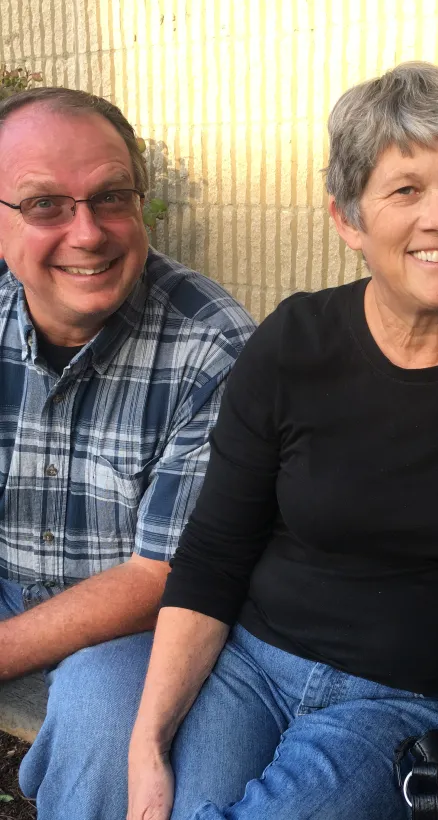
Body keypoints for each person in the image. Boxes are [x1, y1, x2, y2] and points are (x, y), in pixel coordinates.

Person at [126, 61, 438, 820]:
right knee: (167, 801)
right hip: (249, 667)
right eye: (405, 189)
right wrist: (147, 742)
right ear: (348, 219)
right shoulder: (293, 343)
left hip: (403, 702)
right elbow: (214, 548)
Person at [0, 87, 256, 819]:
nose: (88, 233)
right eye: (45, 203)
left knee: (107, 723)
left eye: (111, 197)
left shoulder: (214, 347)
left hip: (140, 627)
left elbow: (165, 573)